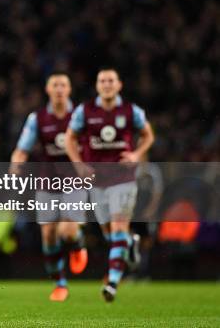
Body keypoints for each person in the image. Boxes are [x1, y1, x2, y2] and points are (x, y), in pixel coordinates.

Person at [65, 68, 155, 302]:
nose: (106, 84)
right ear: (97, 85)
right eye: (102, 80)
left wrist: (136, 155)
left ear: (119, 85)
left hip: (123, 178)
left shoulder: (131, 111)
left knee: (117, 227)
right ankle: (131, 242)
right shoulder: (84, 111)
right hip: (97, 181)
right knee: (109, 233)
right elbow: (69, 139)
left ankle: (113, 281)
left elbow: (148, 135)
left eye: (110, 80)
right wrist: (78, 165)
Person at [10, 73, 87, 302]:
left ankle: (78, 245)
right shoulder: (38, 118)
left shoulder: (80, 116)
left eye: (63, 84)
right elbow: (22, 148)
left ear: (70, 89)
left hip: (74, 179)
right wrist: (15, 165)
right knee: (49, 235)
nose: (59, 89)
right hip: (48, 181)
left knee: (67, 230)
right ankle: (60, 283)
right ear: (48, 89)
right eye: (55, 85)